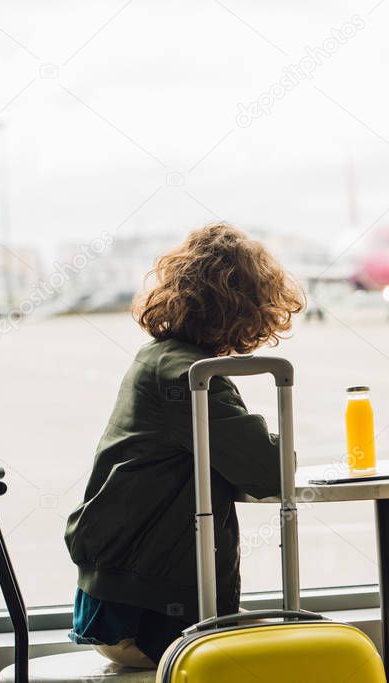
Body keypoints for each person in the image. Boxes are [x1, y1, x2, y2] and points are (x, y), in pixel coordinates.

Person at [64, 222, 305, 668]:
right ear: (244, 306)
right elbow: (271, 472)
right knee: (297, 649)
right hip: (143, 615)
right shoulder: (192, 379)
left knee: (287, 638)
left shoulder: (158, 358)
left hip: (118, 600)